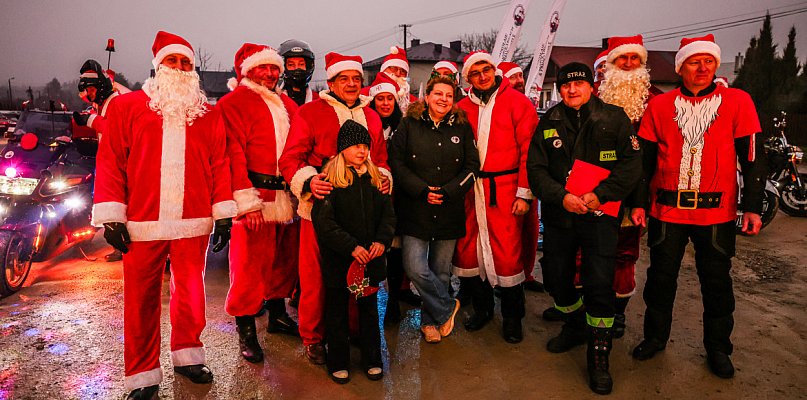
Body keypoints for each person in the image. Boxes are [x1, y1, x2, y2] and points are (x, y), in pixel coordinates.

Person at [92, 31, 237, 399]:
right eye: (173, 61)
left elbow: (220, 163)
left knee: (190, 293)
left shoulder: (208, 113)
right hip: (140, 223)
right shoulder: (127, 108)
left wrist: (222, 213)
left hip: (192, 222)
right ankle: (142, 375)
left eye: (186, 62)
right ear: (158, 66)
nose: (179, 68)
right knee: (140, 302)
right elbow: (111, 162)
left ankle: (188, 356)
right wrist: (112, 215)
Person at [630, 34, 766, 379]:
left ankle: (719, 348)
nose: (702, 67)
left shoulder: (738, 101)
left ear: (716, 64)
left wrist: (752, 207)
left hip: (716, 214)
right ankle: (655, 338)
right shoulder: (659, 107)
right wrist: (638, 204)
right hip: (667, 212)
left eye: (708, 61)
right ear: (681, 67)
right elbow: (643, 163)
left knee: (717, 284)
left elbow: (752, 160)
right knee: (660, 281)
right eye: (694, 61)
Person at [527, 62, 641, 394]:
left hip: (599, 217)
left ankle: (598, 353)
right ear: (559, 89)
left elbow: (631, 165)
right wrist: (560, 197)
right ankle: (575, 325)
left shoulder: (614, 118)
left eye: (578, 85)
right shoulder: (549, 121)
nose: (572, 90)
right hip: (561, 215)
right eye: (565, 86)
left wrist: (599, 195)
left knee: (599, 284)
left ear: (591, 86)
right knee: (557, 277)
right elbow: (536, 169)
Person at [279, 52, 392, 365]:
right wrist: (310, 182)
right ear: (331, 82)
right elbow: (290, 160)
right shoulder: (312, 113)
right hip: (320, 211)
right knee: (316, 278)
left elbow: (380, 160)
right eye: (345, 79)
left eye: (357, 79)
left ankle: (354, 330)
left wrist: (383, 178)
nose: (352, 84)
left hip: (362, 213)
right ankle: (314, 337)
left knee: (361, 271)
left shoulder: (371, 116)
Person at [217, 43, 300, 364]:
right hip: (255, 197)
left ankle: (278, 315)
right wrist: (245, 202)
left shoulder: (286, 104)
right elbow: (230, 153)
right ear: (246, 70)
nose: (270, 73)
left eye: (274, 68)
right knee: (249, 267)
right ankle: (246, 330)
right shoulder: (233, 103)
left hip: (287, 197)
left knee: (283, 261)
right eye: (263, 68)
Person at [454, 51, 539, 343]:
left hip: (505, 189)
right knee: (471, 252)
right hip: (471, 190)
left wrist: (524, 193)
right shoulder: (461, 107)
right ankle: (483, 309)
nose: (482, 76)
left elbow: (530, 151)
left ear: (494, 70)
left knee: (507, 253)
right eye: (475, 72)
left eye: (486, 69)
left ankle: (513, 317)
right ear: (468, 78)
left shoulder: (518, 103)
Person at [389, 75, 479, 343]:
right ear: (427, 96)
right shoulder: (409, 124)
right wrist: (421, 190)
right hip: (415, 208)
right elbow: (396, 162)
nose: (443, 99)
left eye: (449, 96)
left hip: (449, 208)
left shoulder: (462, 127)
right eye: (438, 94)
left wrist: (451, 190)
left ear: (454, 100)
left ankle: (431, 321)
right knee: (414, 266)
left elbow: (472, 166)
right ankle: (448, 307)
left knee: (441, 270)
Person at [312, 119, 395, 384]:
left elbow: (388, 216)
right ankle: (338, 361)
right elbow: (325, 224)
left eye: (365, 146)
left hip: (370, 260)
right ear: (342, 148)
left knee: (369, 311)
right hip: (341, 262)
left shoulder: (375, 179)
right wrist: (351, 247)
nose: (362, 151)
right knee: (336, 312)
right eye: (356, 146)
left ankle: (372, 359)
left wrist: (382, 240)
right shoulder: (331, 181)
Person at [497, 61, 543, 294]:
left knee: (530, 230)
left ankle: (526, 273)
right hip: (505, 182)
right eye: (512, 77)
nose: (519, 81)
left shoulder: (526, 105)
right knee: (507, 236)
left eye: (520, 76)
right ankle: (506, 278)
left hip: (530, 177)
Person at [72, 59, 123, 262]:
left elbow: (115, 129)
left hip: (118, 163)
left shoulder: (117, 103)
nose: (89, 95)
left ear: (101, 86)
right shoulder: (101, 104)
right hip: (107, 160)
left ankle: (122, 246)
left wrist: (90, 121)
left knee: (118, 205)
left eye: (91, 90)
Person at [363, 46, 417, 111]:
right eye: (393, 69)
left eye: (403, 71)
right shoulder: (365, 94)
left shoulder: (413, 102)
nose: (398, 74)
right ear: (383, 69)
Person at [279, 39, 319, 106]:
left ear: (308, 66)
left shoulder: (318, 101)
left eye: (301, 64)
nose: (297, 69)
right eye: (291, 65)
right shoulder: (274, 99)